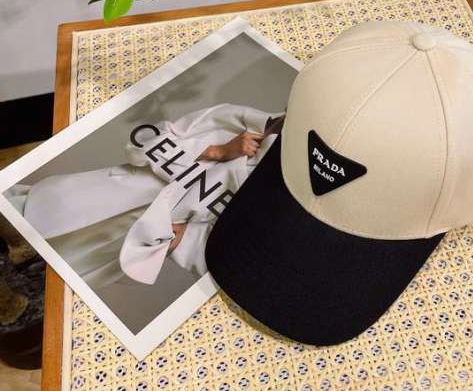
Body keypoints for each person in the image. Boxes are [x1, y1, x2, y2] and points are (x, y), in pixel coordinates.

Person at [7, 104, 285, 290]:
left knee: (38, 285)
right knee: (19, 220)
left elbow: (231, 253)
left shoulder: (279, 195)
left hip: (126, 242)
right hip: (105, 194)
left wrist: (179, 240)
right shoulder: (238, 119)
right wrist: (214, 151)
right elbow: (141, 142)